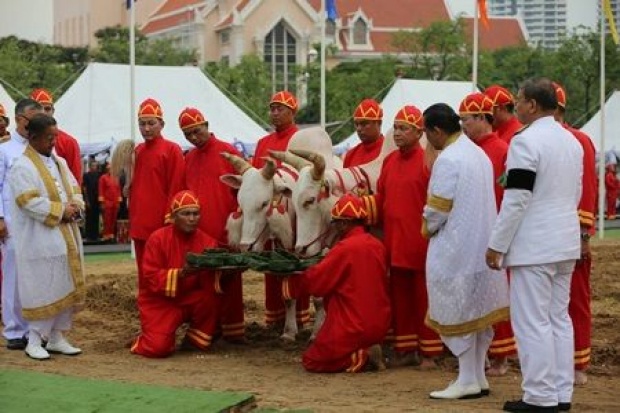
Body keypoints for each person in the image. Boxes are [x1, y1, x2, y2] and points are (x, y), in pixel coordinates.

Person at [487, 78, 583, 412]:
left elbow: (516, 198)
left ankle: (539, 395)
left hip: (535, 246)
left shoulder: (525, 141)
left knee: (532, 322)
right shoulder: (571, 141)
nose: (516, 105)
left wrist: (497, 244)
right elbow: (575, 192)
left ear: (531, 105)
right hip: (564, 241)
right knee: (559, 319)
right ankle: (560, 393)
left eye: (519, 100)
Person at [422, 103, 509, 400]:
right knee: (477, 315)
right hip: (481, 244)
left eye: (426, 132)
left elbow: (438, 208)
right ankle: (477, 377)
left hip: (456, 248)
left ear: (436, 130)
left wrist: (426, 226)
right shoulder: (478, 152)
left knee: (458, 312)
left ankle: (467, 378)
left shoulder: (449, 158)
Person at [362, 105, 443, 368]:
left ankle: (429, 353)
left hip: (422, 243)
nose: (397, 133)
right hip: (395, 242)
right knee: (401, 300)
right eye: (395, 128)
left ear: (419, 132)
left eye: (403, 128)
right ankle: (406, 350)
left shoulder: (428, 162)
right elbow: (382, 199)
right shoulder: (388, 161)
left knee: (424, 300)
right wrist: (357, 206)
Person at [8, 113, 85, 360]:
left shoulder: (60, 162)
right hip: (39, 240)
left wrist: (76, 205)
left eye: (55, 137)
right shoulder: (22, 166)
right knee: (44, 288)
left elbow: (74, 188)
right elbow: (28, 201)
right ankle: (33, 340)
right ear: (33, 137)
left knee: (65, 284)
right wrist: (62, 210)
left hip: (67, 238)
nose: (53, 142)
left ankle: (56, 337)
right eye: (48, 138)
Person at [297, 194, 390, 373]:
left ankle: (363, 356)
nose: (337, 228)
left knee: (312, 360)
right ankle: (368, 349)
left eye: (337, 223)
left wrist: (301, 273)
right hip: (380, 325)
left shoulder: (344, 248)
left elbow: (318, 283)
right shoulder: (378, 245)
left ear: (344, 223)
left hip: (353, 325)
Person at [459, 93, 516, 376]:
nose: (463, 126)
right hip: (472, 231)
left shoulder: (502, 150)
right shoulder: (468, 151)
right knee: (475, 294)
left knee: (496, 293)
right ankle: (477, 355)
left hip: (495, 231)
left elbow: (509, 196)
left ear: (483, 118)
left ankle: (501, 355)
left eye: (466, 120)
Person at [180, 107, 245, 342]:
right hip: (199, 232)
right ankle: (210, 328)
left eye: (196, 131)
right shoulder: (189, 158)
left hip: (227, 231)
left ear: (206, 125)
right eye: (188, 135)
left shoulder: (228, 152)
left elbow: (245, 192)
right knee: (205, 284)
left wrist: (239, 228)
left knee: (231, 281)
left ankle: (234, 331)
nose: (194, 138)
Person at [131, 190, 221, 358]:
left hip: (192, 298)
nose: (192, 218)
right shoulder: (157, 239)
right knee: (158, 349)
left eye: (196, 214)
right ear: (174, 216)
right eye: (186, 214)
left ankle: (193, 339)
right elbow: (150, 277)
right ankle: (142, 340)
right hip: (160, 301)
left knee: (212, 293)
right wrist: (181, 274)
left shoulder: (208, 241)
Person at [252, 91, 309, 327]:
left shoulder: (302, 139)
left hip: (296, 214)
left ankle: (298, 317)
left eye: (280, 109)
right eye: (272, 108)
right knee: (271, 267)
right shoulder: (263, 143)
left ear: (292, 112)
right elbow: (255, 179)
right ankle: (274, 317)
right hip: (268, 214)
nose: (274, 113)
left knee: (296, 264)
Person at [553, 82, 597, 386]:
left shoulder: (578, 140)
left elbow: (588, 192)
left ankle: (578, 363)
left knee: (575, 301)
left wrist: (583, 235)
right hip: (544, 236)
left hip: (570, 233)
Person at [0, 98, 43, 350]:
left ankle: (35, 328)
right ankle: (15, 329)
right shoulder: (5, 150)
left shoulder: (41, 147)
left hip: (38, 221)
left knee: (36, 275)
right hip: (13, 222)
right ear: (19, 120)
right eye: (32, 120)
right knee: (14, 276)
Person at [130, 98, 185, 286]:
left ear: (161, 124)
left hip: (161, 223)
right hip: (139, 222)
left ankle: (163, 308)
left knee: (162, 269)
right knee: (143, 270)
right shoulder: (137, 151)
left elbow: (176, 186)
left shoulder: (172, 150)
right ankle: (146, 306)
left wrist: (171, 218)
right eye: (142, 124)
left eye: (151, 123)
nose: (146, 128)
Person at [30, 88, 82, 185]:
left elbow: (75, 181)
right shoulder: (22, 140)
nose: (44, 113)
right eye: (39, 109)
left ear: (53, 111)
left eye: (47, 109)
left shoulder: (68, 142)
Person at [343, 98, 385, 168]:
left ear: (379, 123)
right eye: (356, 124)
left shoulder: (390, 152)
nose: (359, 129)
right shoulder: (350, 156)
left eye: (364, 124)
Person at [98, 162, 121, 242]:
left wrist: (118, 202)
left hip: (114, 202)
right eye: (109, 168)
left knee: (113, 219)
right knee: (107, 220)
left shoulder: (116, 178)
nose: (110, 170)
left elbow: (118, 190)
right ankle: (106, 235)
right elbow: (101, 190)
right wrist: (102, 202)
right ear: (106, 169)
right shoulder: (103, 178)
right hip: (107, 202)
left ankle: (111, 235)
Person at [81, 160, 101, 242]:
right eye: (93, 165)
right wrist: (86, 200)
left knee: (96, 217)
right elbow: (84, 188)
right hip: (89, 198)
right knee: (89, 218)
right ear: (90, 167)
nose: (94, 167)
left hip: (97, 199)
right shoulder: (86, 175)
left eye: (96, 165)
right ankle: (89, 236)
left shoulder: (99, 175)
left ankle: (95, 235)